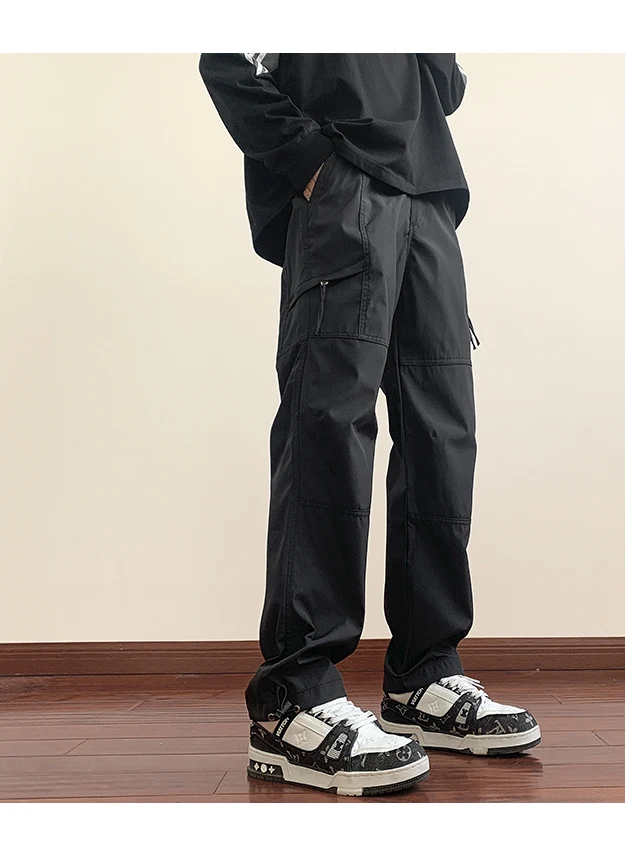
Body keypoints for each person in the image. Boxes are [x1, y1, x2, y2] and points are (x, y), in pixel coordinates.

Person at [198, 53, 541, 797]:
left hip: (430, 196)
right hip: (344, 187)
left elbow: (445, 87)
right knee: (330, 428)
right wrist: (312, 164)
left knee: (442, 434)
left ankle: (424, 673)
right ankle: (294, 695)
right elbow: (224, 57)